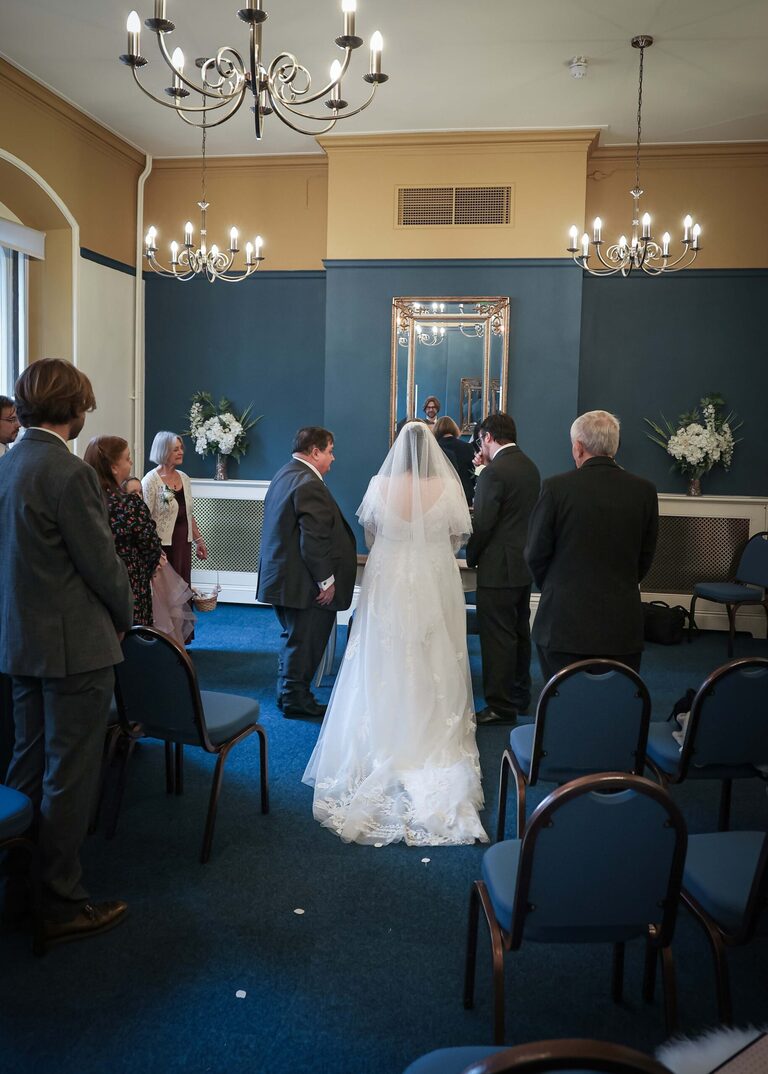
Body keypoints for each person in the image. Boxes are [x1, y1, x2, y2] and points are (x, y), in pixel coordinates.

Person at [303, 421, 488, 846]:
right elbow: (458, 539)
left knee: (383, 650)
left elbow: (371, 533)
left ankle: (384, 728)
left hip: (389, 576)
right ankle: (425, 728)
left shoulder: (378, 484)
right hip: (432, 575)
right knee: (431, 648)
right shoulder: (448, 485)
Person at [0, 358, 133, 943]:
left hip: (20, 640)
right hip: (75, 648)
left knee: (26, 764)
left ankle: (17, 884)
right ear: (73, 409)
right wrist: (127, 619)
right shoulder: (69, 472)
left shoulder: (9, 464)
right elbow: (102, 566)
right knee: (71, 775)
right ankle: (59, 901)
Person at [525, 410, 659, 679]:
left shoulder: (556, 488)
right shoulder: (644, 490)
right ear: (615, 446)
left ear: (578, 447)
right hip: (621, 622)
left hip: (563, 622)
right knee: (617, 705)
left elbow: (535, 553)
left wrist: (554, 585)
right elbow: (646, 555)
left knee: (561, 705)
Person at [257, 427, 357, 718]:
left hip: (284, 577)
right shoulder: (308, 482)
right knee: (305, 641)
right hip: (302, 581)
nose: (333, 458)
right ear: (315, 452)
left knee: (294, 638)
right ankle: (295, 700)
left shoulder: (285, 473)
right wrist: (326, 581)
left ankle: (288, 694)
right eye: (330, 451)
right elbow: (313, 540)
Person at [465, 413, 541, 725]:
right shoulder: (529, 466)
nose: (480, 444)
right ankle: (520, 695)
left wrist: (471, 555)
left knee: (497, 637)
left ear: (489, 437)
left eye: (481, 438)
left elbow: (483, 522)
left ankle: (499, 704)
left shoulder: (493, 474)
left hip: (498, 567)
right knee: (520, 632)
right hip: (523, 563)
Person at [84, 437, 163, 627]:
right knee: (131, 639)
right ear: (113, 467)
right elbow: (151, 547)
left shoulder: (84, 501)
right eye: (128, 459)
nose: (131, 462)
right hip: (129, 583)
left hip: (91, 583)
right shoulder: (129, 504)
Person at [142, 430, 207, 585]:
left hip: (184, 542)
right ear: (163, 451)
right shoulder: (151, 481)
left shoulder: (184, 478)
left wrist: (199, 541)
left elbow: (188, 513)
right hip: (163, 546)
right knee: (167, 591)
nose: (181, 452)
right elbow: (145, 519)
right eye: (175, 449)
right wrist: (154, 550)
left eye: (181, 448)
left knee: (183, 586)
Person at [433, 415, 476, 505]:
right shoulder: (467, 447)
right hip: (464, 492)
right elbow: (472, 471)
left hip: (441, 494)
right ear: (454, 429)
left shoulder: (434, 448)